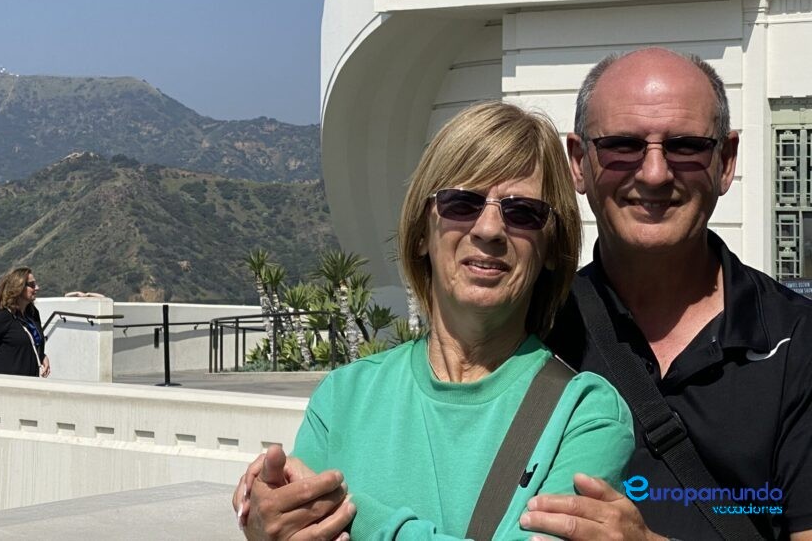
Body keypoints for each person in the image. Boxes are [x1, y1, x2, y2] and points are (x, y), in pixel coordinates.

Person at [235, 101, 633, 540]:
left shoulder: (586, 415)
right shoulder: (342, 398)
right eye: (461, 203)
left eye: (523, 212)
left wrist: (350, 511)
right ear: (422, 232)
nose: (489, 229)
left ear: (551, 249)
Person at [518, 48, 812, 540]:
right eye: (622, 145)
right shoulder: (533, 330)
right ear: (579, 162)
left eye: (685, 146)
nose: (654, 173)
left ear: (726, 161)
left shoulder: (797, 343)